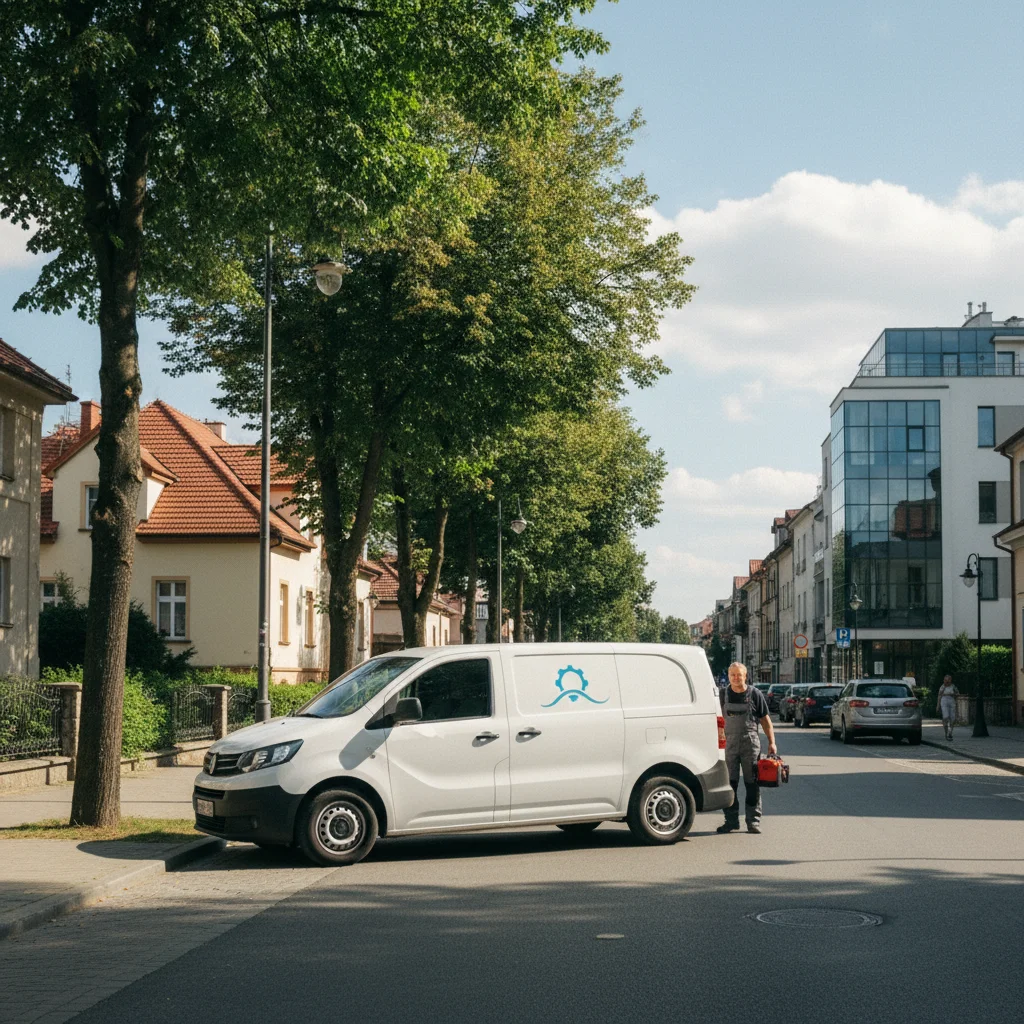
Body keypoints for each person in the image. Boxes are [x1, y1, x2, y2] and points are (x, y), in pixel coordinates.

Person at [717, 662, 777, 835]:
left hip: (750, 745)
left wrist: (772, 742)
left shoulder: (754, 694)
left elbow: (765, 720)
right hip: (728, 745)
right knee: (730, 784)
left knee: (752, 784)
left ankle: (753, 822)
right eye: (733, 675)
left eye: (739, 675)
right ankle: (731, 821)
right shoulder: (722, 695)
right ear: (729, 677)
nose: (736, 678)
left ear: (745, 676)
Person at [937, 674, 959, 741]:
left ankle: (950, 732)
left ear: (950, 680)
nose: (946, 682)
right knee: (945, 717)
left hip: (951, 701)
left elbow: (958, 693)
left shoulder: (953, 686)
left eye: (948, 680)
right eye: (945, 680)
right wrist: (938, 706)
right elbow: (939, 696)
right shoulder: (942, 687)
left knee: (952, 718)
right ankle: (946, 733)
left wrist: (953, 694)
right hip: (944, 701)